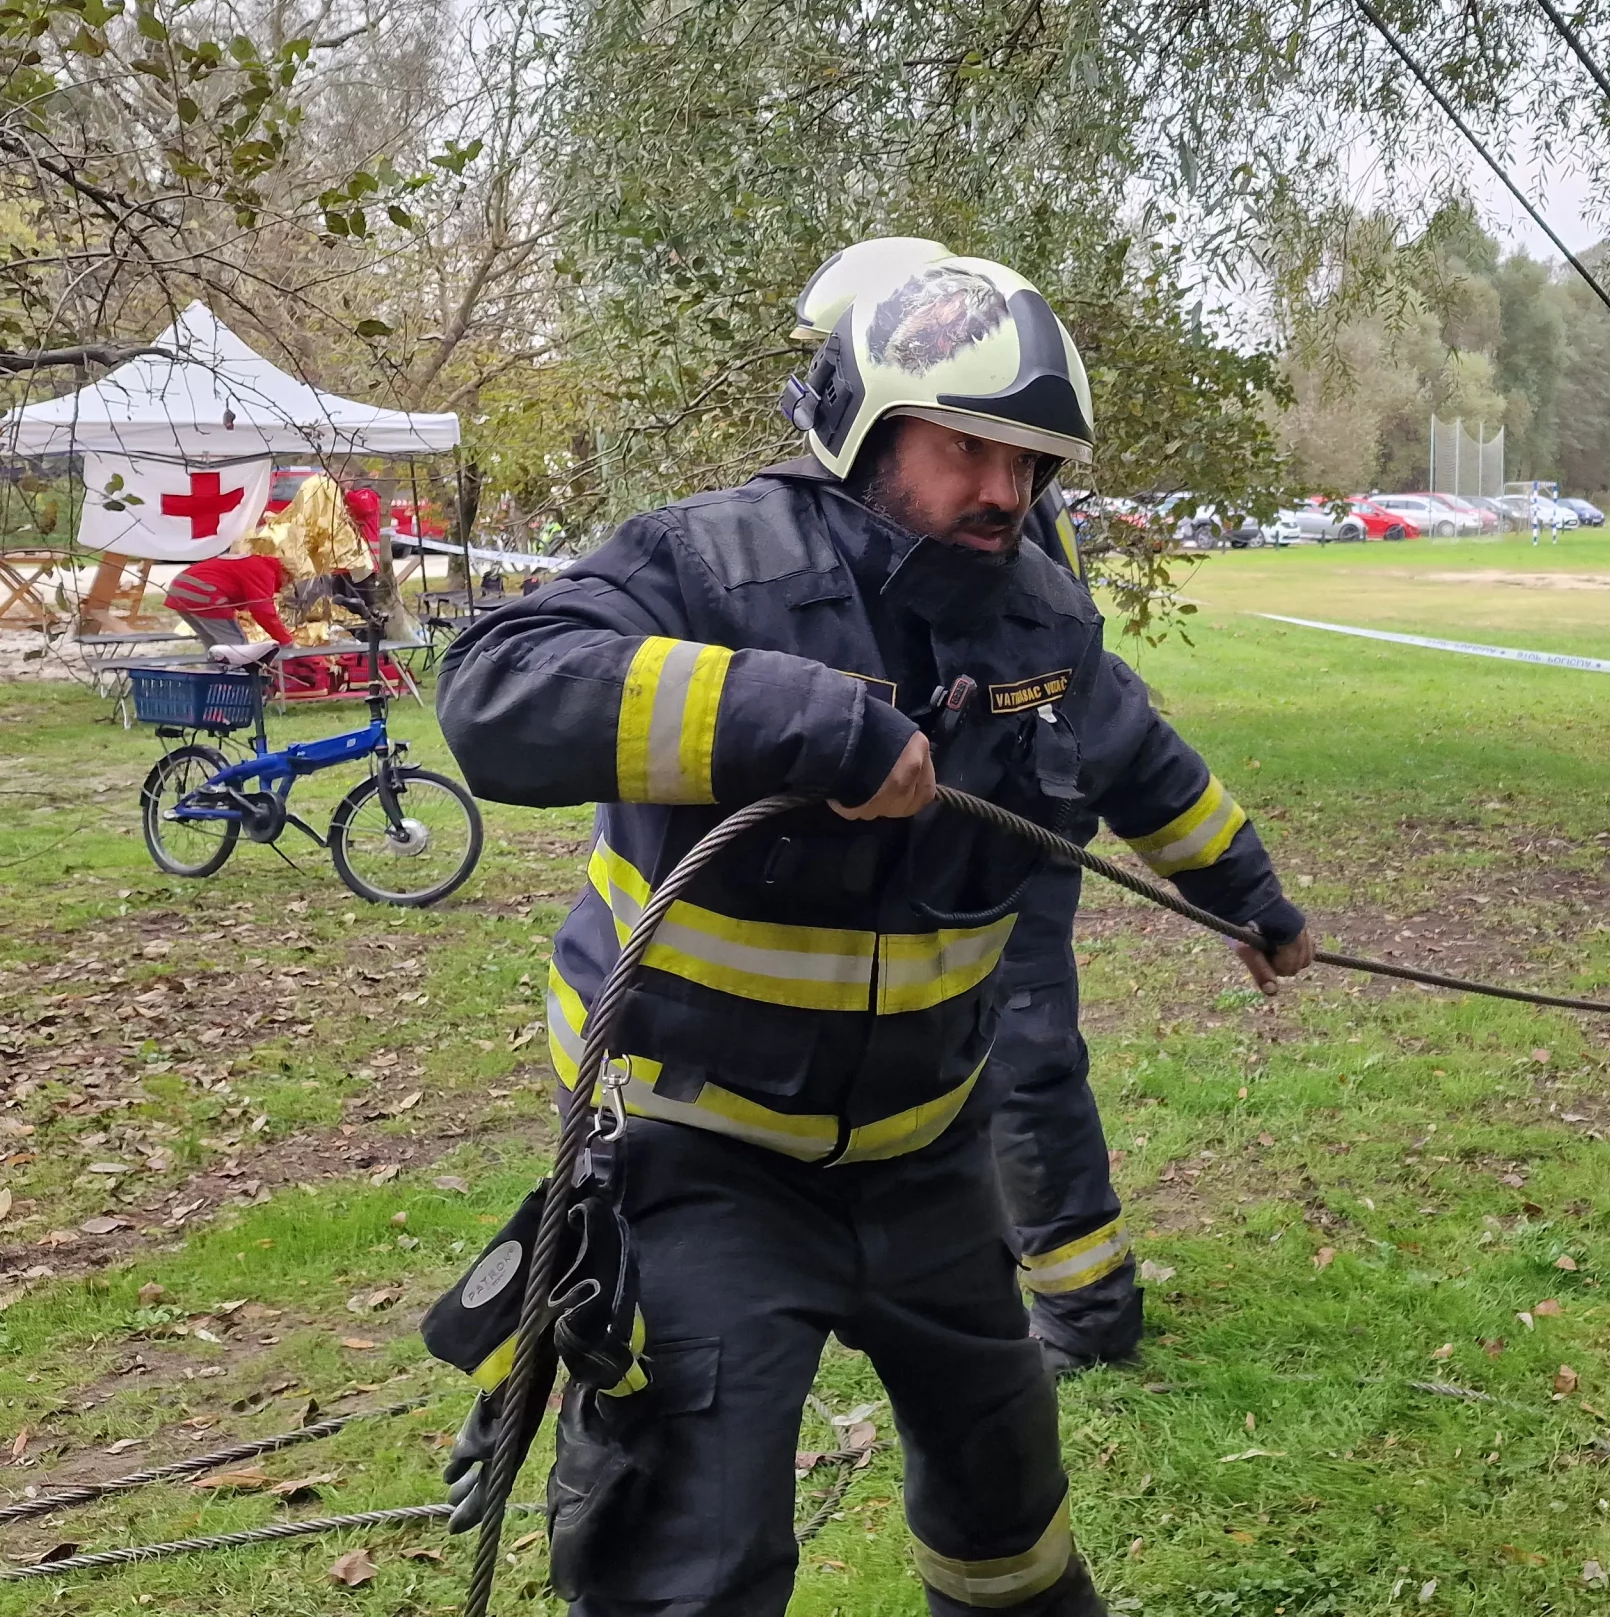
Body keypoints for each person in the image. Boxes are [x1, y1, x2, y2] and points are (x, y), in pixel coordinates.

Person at [433, 238, 1315, 1617]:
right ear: (868, 423)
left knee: (1004, 1499)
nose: (1004, 492)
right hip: (699, 1158)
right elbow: (497, 694)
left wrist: (1249, 900)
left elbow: (1147, 764)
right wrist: (802, 721)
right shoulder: (711, 563)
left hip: (925, 1159)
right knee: (697, 1555)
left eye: (1031, 463)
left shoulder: (1040, 618)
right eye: (969, 449)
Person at [988, 489, 1143, 1376]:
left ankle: (1089, 1309)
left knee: (1021, 1062)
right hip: (991, 816)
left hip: (1017, 822)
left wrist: (1253, 902)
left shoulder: (1002, 501)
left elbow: (1101, 713)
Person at [163, 532, 291, 652]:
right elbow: (262, 610)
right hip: (204, 592)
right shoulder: (264, 571)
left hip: (180, 588)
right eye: (288, 580)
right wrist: (286, 641)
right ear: (284, 571)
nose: (285, 586)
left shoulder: (253, 563)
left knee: (214, 645)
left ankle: (214, 673)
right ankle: (236, 674)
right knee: (237, 647)